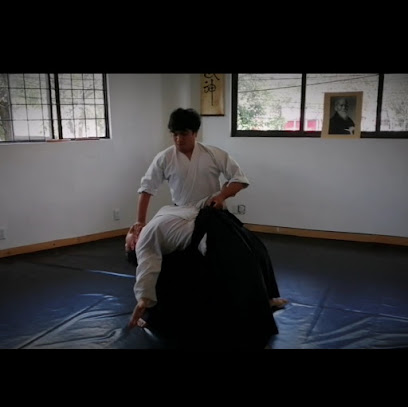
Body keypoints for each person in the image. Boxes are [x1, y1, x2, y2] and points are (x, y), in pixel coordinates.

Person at [126, 107, 287, 335]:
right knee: (146, 240)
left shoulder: (213, 154)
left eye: (183, 134)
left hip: (212, 212)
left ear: (195, 133)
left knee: (255, 249)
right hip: (179, 213)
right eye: (174, 134)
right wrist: (140, 223)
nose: (179, 139)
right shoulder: (165, 158)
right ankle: (147, 300)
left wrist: (221, 196)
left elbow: (240, 180)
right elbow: (146, 189)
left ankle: (266, 299)